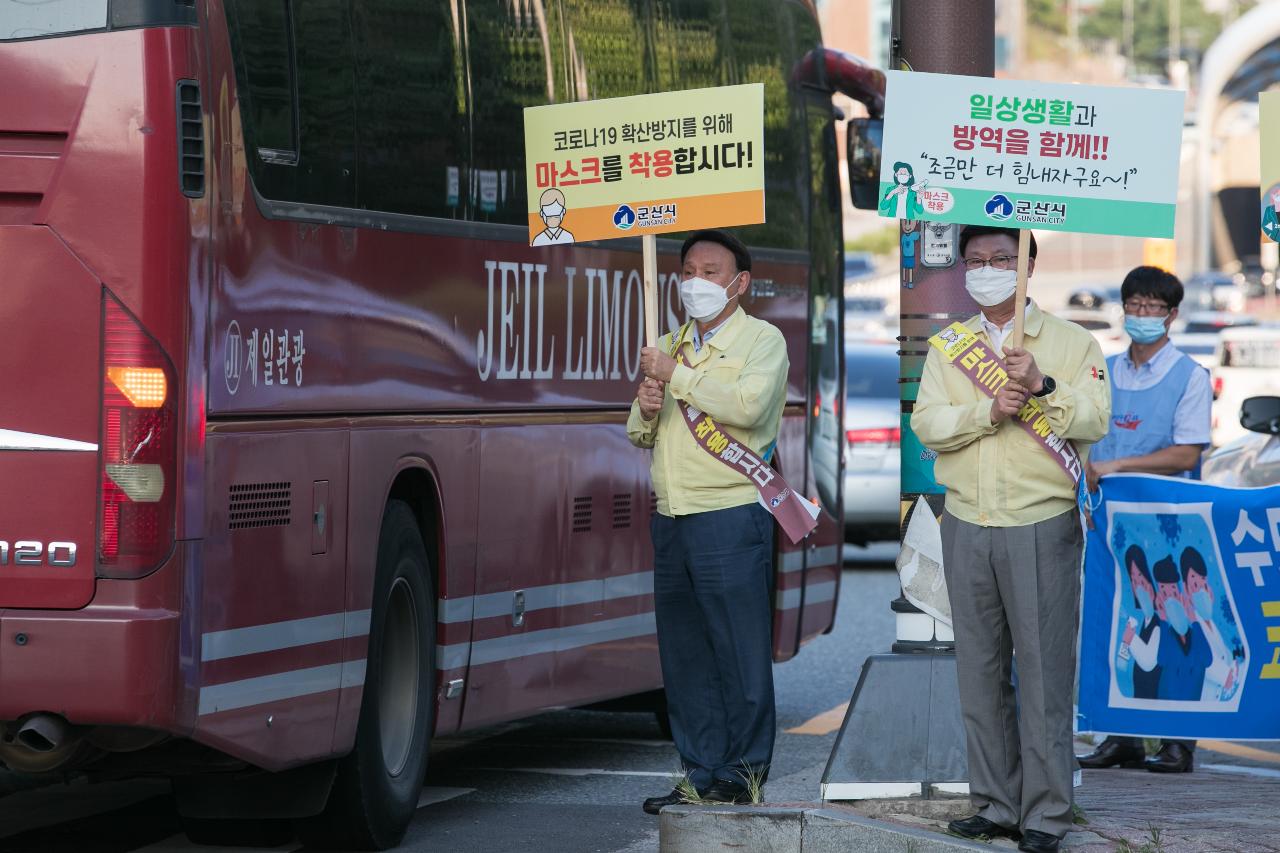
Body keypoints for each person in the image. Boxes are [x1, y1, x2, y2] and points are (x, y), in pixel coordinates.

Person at [912, 225, 1110, 853]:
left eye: (1001, 258)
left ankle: (1047, 814)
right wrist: (986, 412)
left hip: (1040, 525)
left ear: (1029, 264)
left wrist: (1044, 385)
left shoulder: (1073, 342)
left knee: (1046, 677)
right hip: (968, 523)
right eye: (975, 260)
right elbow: (928, 423)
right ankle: (994, 804)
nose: (986, 269)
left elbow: (1098, 418)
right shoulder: (950, 345)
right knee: (980, 674)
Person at [627, 229, 788, 815]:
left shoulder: (761, 341)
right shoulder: (668, 343)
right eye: (688, 269)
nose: (696, 281)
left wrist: (677, 376)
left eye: (710, 271)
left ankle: (743, 773)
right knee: (686, 654)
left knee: (738, 650)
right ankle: (700, 770)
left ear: (739, 283)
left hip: (730, 512)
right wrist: (647, 408)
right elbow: (640, 432)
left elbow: (747, 406)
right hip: (671, 515)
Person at [1076, 265, 1211, 775]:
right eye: (1134, 305)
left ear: (1172, 315)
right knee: (1118, 623)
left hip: (1171, 523)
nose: (1142, 315)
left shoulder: (1189, 376)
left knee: (1180, 622)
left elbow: (1185, 454)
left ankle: (1179, 742)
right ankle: (1121, 735)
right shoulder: (1104, 371)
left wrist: (1115, 466)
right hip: (1109, 524)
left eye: (1153, 307)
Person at [1182, 547, 1238, 702]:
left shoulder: (1211, 623)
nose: (1201, 591)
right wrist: (1228, 674)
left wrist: (1234, 665)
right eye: (1195, 586)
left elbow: (1226, 655)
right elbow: (1206, 661)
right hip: (1206, 703)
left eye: (1204, 585)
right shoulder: (1189, 627)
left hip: (1222, 700)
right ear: (1186, 590)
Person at [1117, 545, 1163, 705]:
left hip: (1156, 709)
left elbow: (1149, 661)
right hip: (1139, 704)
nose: (1139, 586)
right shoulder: (1142, 623)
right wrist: (1125, 642)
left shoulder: (1159, 624)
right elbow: (1121, 665)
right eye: (1134, 580)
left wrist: (1131, 639)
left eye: (1141, 578)